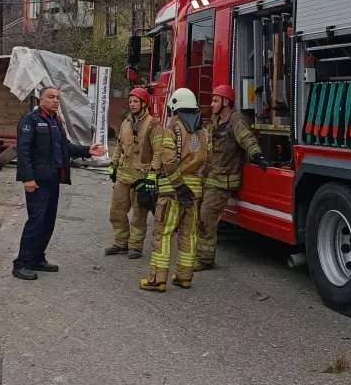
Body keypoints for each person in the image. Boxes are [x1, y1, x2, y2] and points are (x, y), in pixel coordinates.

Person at [13, 86, 106, 280]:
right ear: (41, 100)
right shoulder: (30, 121)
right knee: (36, 221)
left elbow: (66, 147)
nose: (55, 100)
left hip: (53, 179)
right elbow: (23, 151)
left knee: (48, 222)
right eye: (51, 97)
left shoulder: (56, 122)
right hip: (37, 181)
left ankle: (37, 258)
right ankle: (21, 263)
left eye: (57, 97)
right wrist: (28, 178)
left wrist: (88, 150)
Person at [140, 88, 209, 292]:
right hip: (195, 192)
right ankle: (184, 277)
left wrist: (179, 186)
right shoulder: (204, 131)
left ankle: (157, 279)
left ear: (176, 106)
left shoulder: (173, 129)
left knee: (164, 233)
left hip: (173, 191)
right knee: (189, 234)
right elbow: (209, 161)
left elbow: (168, 161)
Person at [197, 84, 268, 271]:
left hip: (222, 181)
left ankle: (204, 260)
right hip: (210, 177)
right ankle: (198, 254)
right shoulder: (215, 121)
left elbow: (247, 139)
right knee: (198, 214)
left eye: (215, 100)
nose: (211, 104)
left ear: (225, 102)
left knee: (207, 217)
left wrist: (257, 155)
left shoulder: (236, 120)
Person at [106, 87, 159, 259]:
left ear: (144, 103)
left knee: (138, 215)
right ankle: (120, 243)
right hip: (123, 176)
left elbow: (158, 152)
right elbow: (120, 146)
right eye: (130, 101)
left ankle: (135, 246)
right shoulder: (126, 123)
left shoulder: (153, 124)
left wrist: (152, 174)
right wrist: (113, 165)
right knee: (116, 211)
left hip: (141, 178)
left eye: (135, 101)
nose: (132, 104)